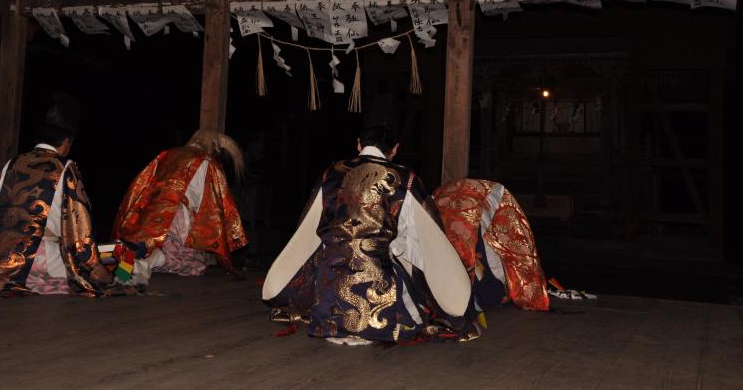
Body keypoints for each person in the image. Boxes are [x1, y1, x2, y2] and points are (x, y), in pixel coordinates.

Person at [262, 124, 480, 345]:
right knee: (409, 254)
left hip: (331, 272)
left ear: (359, 144)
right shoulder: (403, 178)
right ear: (394, 149)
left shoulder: (333, 173)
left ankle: (331, 314)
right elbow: (427, 234)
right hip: (377, 273)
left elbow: (309, 226)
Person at [0, 93, 115, 296]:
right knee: (114, 259)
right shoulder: (65, 167)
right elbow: (80, 227)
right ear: (66, 142)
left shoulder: (11, 163)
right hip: (40, 261)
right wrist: (93, 266)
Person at [112, 129, 247, 280]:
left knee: (142, 243)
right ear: (213, 147)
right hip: (178, 216)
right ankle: (149, 263)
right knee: (196, 265)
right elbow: (210, 204)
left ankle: (125, 272)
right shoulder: (207, 162)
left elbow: (145, 180)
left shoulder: (167, 154)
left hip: (151, 209)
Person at [433, 179, 550, 311]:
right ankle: (490, 293)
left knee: (474, 257)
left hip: (466, 204)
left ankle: (490, 292)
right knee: (473, 258)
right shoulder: (469, 220)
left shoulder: (480, 213)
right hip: (464, 207)